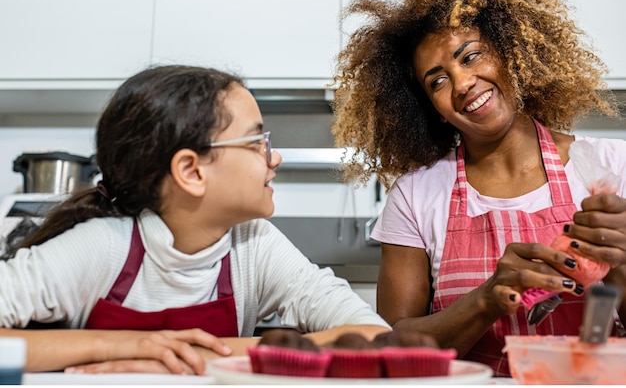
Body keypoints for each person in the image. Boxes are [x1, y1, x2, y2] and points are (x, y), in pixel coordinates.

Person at [0, 65, 391, 375]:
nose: (274, 158)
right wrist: (117, 345)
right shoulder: (104, 245)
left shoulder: (254, 246)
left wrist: (195, 357)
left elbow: (375, 340)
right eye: (257, 143)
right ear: (191, 171)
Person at [331, 0, 626, 377]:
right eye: (438, 81)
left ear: (510, 52)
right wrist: (487, 298)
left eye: (471, 57)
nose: (463, 84)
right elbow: (394, 345)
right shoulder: (416, 194)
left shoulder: (613, 166)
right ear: (431, 107)